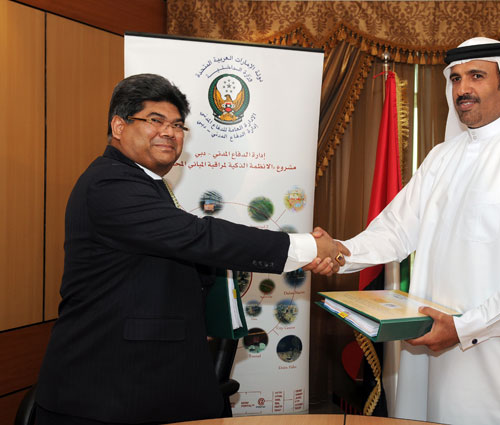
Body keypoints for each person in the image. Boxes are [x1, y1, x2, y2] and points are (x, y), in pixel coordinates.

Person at [312, 37, 500, 424]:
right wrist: (339, 251)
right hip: (438, 349)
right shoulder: (442, 157)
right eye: (455, 78)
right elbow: (396, 229)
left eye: (476, 76)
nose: (462, 88)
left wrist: (464, 327)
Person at [34, 73, 342, 425]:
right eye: (155, 120)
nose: (169, 132)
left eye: (178, 125)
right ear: (118, 126)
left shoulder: (148, 183)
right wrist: (307, 248)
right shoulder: (109, 183)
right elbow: (198, 238)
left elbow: (179, 257)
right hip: (107, 392)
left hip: (153, 380)